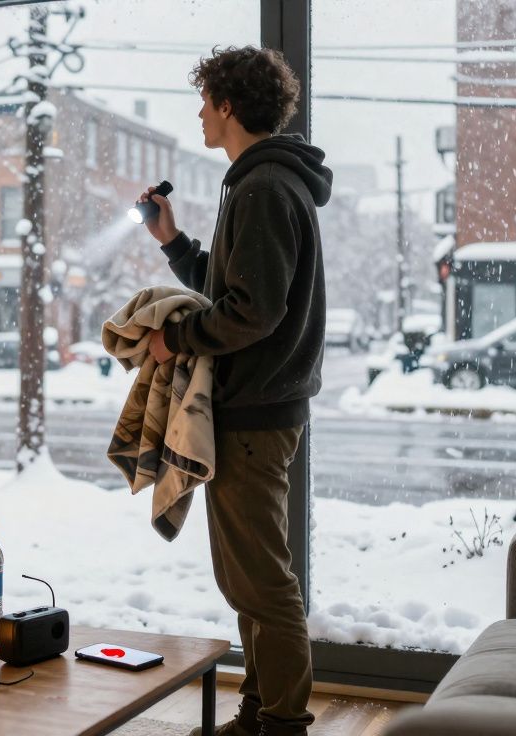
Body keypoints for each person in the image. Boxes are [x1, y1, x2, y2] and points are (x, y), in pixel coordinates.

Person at [137, 45, 332, 736]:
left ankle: (281, 722)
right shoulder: (262, 184)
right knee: (247, 577)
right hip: (255, 410)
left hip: (254, 414)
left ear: (226, 105)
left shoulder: (264, 188)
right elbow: (236, 290)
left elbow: (251, 313)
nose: (198, 112)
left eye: (204, 100)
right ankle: (259, 712)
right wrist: (175, 243)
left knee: (262, 582)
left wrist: (174, 340)